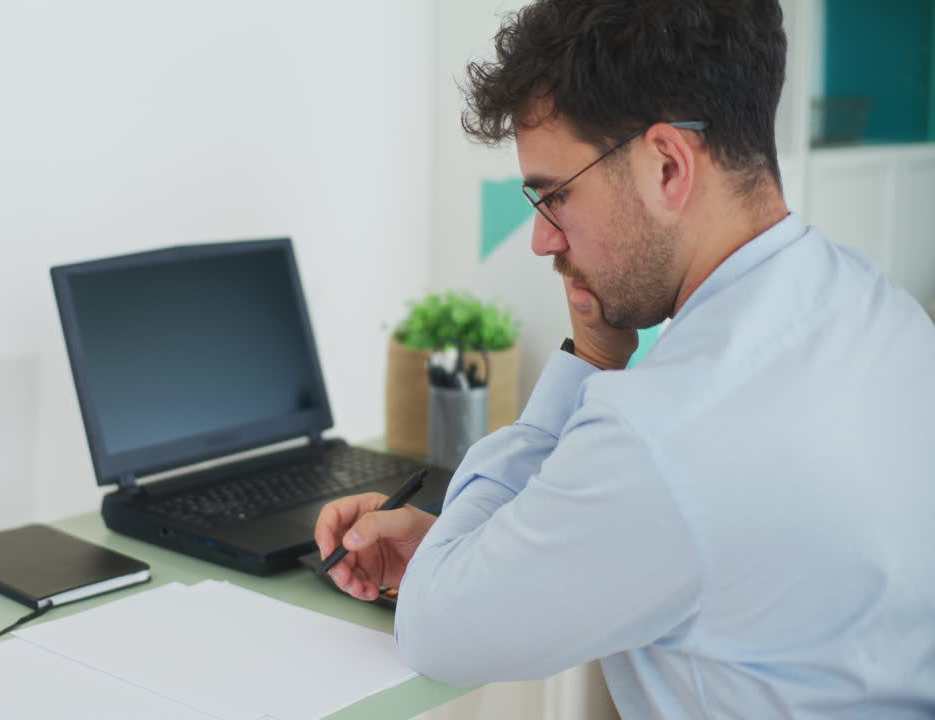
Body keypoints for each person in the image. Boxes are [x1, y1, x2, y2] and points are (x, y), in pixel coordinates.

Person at [314, 1, 935, 717]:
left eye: (555, 196)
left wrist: (589, 360)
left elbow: (435, 632)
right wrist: (474, 559)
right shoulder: (880, 308)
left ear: (668, 165)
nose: (543, 242)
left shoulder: (666, 432)